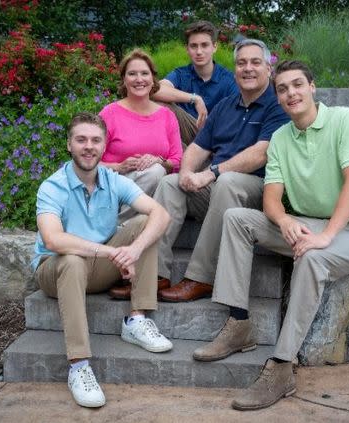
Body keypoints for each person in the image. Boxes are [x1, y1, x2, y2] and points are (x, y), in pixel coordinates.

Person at [192, 60, 349, 410]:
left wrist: (325, 235)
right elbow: (270, 199)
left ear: (312, 87)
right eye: (282, 88)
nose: (290, 93)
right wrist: (284, 223)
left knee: (312, 257)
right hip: (307, 223)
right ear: (277, 96)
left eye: (297, 85)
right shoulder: (281, 137)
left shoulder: (343, 120)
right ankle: (238, 325)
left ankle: (282, 366)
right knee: (237, 217)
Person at [32, 112, 173, 408]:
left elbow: (161, 214)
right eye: (81, 139)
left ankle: (136, 319)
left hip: (96, 269)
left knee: (144, 224)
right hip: (56, 270)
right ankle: (79, 366)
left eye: (96, 140)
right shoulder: (52, 186)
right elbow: (53, 240)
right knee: (71, 260)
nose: (88, 146)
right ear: (69, 144)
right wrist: (111, 252)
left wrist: (133, 251)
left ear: (104, 145)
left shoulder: (112, 179)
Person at [153, 39, 289, 303]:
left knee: (227, 181)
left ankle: (200, 276)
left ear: (268, 69)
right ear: (235, 69)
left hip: (258, 191)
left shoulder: (278, 106)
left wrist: (211, 172)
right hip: (219, 188)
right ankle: (153, 273)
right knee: (170, 184)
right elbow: (197, 147)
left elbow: (261, 153)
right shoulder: (226, 105)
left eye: (255, 62)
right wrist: (185, 172)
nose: (247, 68)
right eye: (241, 63)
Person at [99, 49, 183, 223]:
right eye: (132, 74)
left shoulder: (167, 116)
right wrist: (119, 166)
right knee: (154, 174)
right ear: (124, 79)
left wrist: (159, 161)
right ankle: (116, 227)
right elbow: (91, 161)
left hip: (157, 185)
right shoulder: (110, 114)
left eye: (144, 73)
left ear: (153, 79)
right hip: (116, 185)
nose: (139, 79)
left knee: (156, 172)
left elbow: (177, 160)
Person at [151, 20, 238, 143]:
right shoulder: (181, 74)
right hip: (188, 132)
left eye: (204, 45)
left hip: (216, 138)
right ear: (187, 49)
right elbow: (155, 90)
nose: (199, 52)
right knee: (161, 106)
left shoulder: (228, 80)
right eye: (194, 46)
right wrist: (195, 98)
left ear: (214, 47)